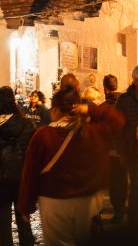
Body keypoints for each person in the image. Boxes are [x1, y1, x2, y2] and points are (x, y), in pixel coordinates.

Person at [17, 87, 124, 246]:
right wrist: (90, 109)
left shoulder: (44, 135)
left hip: (54, 199)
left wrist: (26, 204)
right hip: (87, 199)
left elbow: (30, 173)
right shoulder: (93, 132)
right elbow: (117, 119)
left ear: (55, 110)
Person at [0, 87, 36, 246]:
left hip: (0, 179)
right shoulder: (26, 123)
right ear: (13, 103)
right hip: (21, 180)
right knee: (24, 223)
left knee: (4, 226)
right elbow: (32, 153)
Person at [115, 65, 138, 225]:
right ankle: (134, 221)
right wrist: (121, 153)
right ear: (137, 82)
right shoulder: (124, 100)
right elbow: (118, 128)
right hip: (132, 150)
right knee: (137, 186)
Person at [103, 75, 126, 223]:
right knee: (124, 181)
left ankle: (118, 212)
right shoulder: (125, 103)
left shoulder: (104, 107)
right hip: (125, 150)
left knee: (114, 182)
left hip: (111, 150)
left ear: (104, 88)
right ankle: (122, 210)